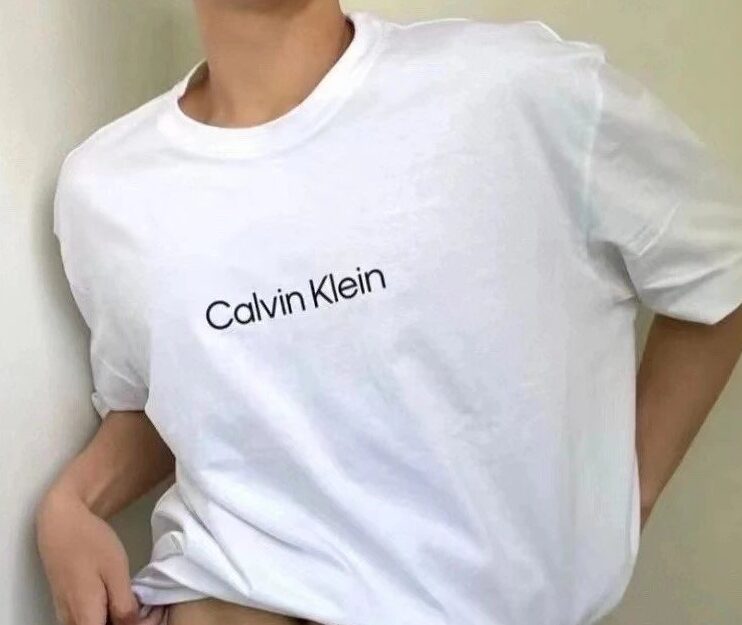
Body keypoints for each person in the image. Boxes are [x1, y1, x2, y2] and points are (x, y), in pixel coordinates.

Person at [36, 1, 742, 625]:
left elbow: (721, 264)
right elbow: (170, 399)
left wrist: (625, 501)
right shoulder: (107, 189)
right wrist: (70, 504)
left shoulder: (518, 90)